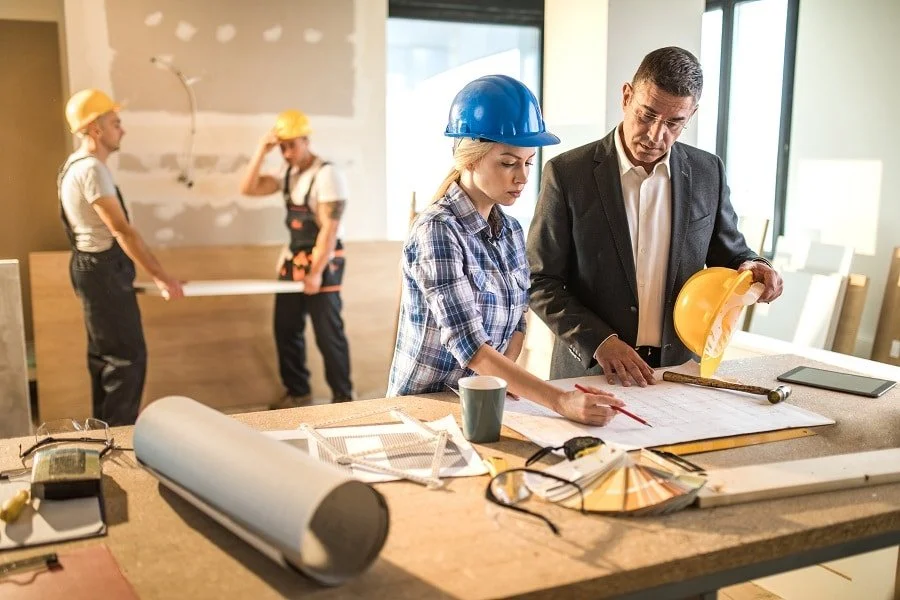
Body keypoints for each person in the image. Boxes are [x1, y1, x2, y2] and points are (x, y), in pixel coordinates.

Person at [527, 46, 784, 388]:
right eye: (646, 115)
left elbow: (730, 254)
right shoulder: (567, 173)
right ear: (626, 96)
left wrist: (753, 266)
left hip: (679, 372)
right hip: (591, 373)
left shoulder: (709, 172)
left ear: (691, 115)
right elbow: (539, 280)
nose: (655, 135)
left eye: (674, 123)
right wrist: (600, 342)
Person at [387, 74, 624, 426]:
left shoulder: (511, 231)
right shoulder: (436, 230)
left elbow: (517, 321)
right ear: (468, 158)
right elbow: (472, 348)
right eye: (508, 163)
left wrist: (507, 379)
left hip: (483, 403)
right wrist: (560, 401)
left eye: (528, 162)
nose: (523, 177)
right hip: (426, 412)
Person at [59, 89, 184, 426]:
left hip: (90, 269)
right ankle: (119, 438)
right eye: (115, 123)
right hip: (103, 272)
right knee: (127, 360)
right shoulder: (92, 171)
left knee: (104, 359)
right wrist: (162, 277)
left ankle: (105, 436)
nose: (122, 129)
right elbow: (122, 232)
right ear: (95, 129)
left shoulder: (73, 166)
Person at [240, 109, 354, 407]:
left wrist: (316, 272)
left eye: (291, 145)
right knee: (286, 329)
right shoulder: (287, 173)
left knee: (328, 334)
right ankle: (298, 393)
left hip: (324, 259)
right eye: (281, 146)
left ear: (306, 140)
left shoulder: (327, 174)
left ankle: (343, 397)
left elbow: (329, 229)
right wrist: (261, 151)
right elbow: (248, 189)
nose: (286, 152)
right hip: (292, 260)